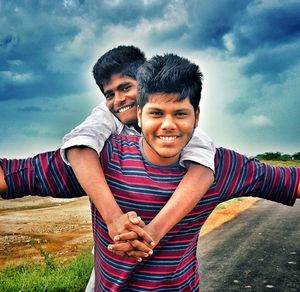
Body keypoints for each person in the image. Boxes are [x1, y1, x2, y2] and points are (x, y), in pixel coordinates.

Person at [1, 53, 299, 291]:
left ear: (197, 117)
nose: (168, 125)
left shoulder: (221, 166)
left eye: (180, 113)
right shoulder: (102, 158)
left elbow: (291, 182)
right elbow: (13, 176)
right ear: (140, 115)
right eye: (156, 113)